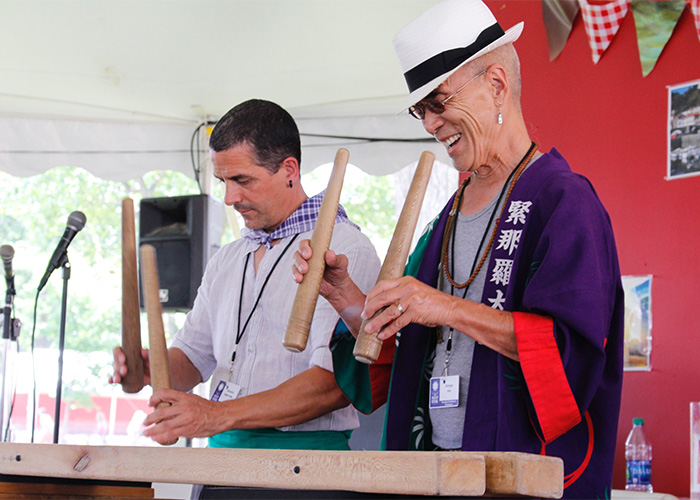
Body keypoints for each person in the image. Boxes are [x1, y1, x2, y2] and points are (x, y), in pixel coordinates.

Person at [293, 1, 624, 498]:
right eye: (419, 109)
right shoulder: (445, 217)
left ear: (496, 85)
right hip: (437, 476)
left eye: (439, 102)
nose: (429, 123)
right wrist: (347, 298)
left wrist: (442, 306)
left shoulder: (565, 201)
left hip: (515, 477)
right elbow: (405, 347)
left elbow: (567, 354)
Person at [110, 99, 380, 495]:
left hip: (306, 471)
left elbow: (333, 384)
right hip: (221, 466)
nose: (229, 198)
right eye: (223, 182)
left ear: (289, 170)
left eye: (243, 180)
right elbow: (192, 359)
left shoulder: (344, 248)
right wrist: (151, 367)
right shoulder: (229, 258)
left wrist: (216, 414)